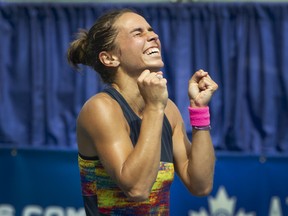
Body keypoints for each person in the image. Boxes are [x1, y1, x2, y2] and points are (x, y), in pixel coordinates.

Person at [67, 8, 218, 216]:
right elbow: (136, 188)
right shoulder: (100, 109)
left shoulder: (170, 111)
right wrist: (154, 108)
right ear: (109, 58)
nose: (153, 36)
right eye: (138, 33)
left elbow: (200, 185)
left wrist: (199, 111)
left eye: (151, 30)